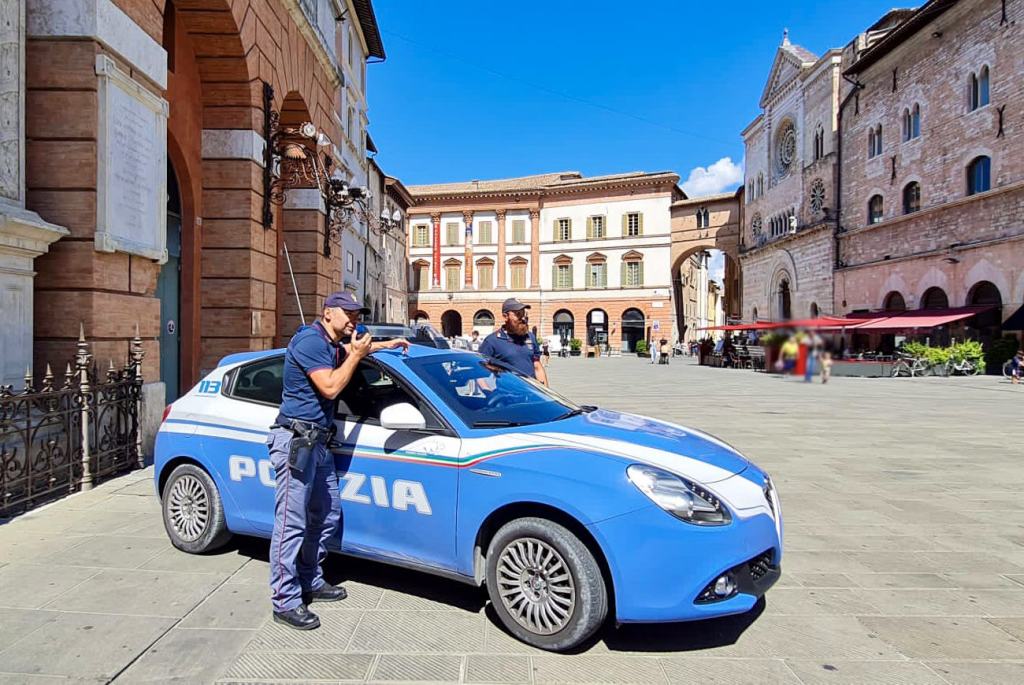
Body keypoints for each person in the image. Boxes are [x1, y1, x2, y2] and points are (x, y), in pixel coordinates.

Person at [268, 291, 408, 630]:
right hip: (296, 441)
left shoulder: (331, 344)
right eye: (347, 313)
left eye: (356, 313)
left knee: (327, 513)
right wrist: (357, 354)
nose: (354, 320)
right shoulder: (310, 341)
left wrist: (383, 346)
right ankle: (285, 601)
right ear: (328, 313)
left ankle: (310, 579)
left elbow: (349, 352)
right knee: (291, 523)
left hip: (318, 442)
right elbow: (330, 386)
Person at [479, 298, 549, 385]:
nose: (523, 318)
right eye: (518, 314)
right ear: (505, 316)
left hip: (531, 394)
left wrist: (547, 392)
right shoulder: (492, 341)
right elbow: (480, 372)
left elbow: (537, 366)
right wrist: (488, 393)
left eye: (524, 314)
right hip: (507, 396)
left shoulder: (530, 336)